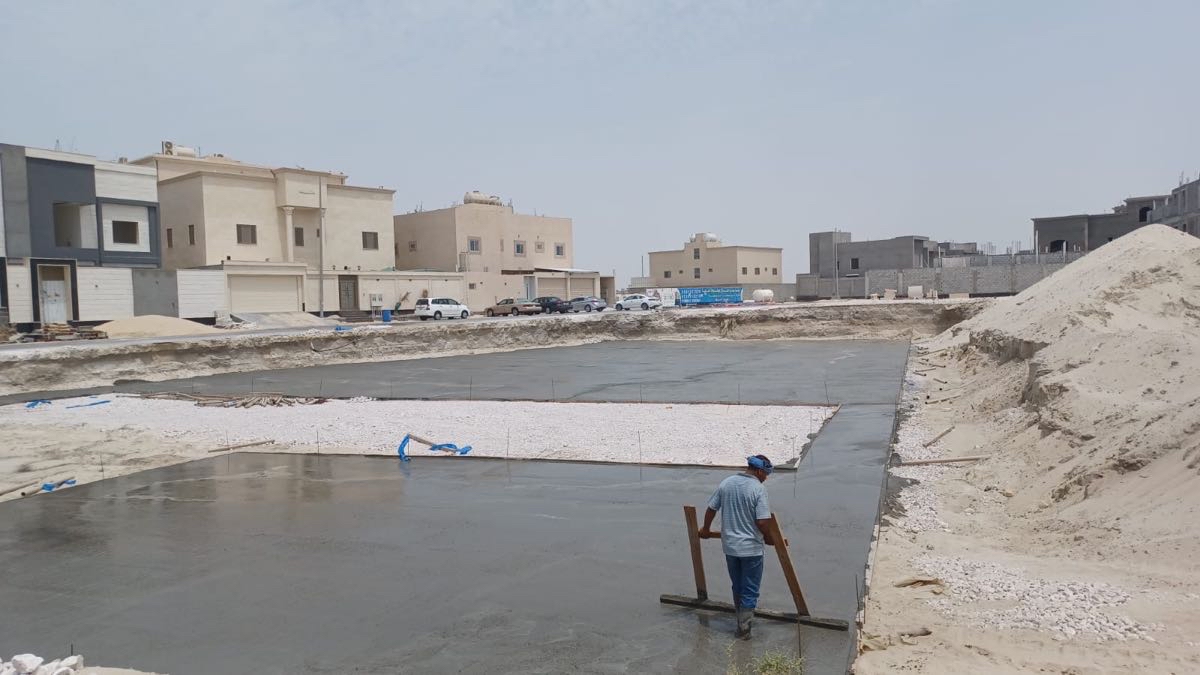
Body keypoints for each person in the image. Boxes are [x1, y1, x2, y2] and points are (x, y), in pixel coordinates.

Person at [698, 454, 774, 639]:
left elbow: (711, 508)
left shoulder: (727, 483)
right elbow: (762, 522)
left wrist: (706, 529)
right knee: (750, 589)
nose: (766, 478)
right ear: (759, 471)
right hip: (751, 549)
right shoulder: (758, 489)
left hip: (731, 547)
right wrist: (769, 537)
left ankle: (740, 621)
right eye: (766, 474)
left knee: (737, 585)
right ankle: (744, 629)